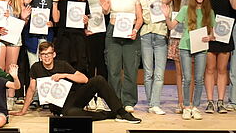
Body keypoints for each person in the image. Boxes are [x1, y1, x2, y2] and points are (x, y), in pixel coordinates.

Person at [13, 41, 141, 122]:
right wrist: (23, 110)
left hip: (74, 97)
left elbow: (84, 79)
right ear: (40, 56)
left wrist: (64, 75)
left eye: (49, 53)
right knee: (71, 115)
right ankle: (108, 115)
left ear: (54, 54)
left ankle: (121, 112)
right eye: (43, 54)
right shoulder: (36, 67)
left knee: (99, 80)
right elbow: (31, 89)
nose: (46, 57)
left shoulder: (62, 65)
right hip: (59, 106)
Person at [100, 0, 143, 113]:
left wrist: (135, 30)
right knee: (113, 69)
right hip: (113, 32)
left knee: (131, 68)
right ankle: (115, 101)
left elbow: (140, 17)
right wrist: (105, 9)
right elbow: (105, 11)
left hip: (131, 33)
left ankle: (128, 101)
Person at [168, 0, 214, 120]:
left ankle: (196, 107)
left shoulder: (209, 12)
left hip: (201, 47)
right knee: (187, 78)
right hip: (185, 46)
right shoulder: (185, 9)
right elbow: (171, 26)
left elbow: (213, 33)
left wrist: (210, 37)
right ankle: (186, 106)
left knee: (199, 79)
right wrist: (166, 16)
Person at [203, 0, 236, 113]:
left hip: (225, 36)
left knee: (223, 70)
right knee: (210, 69)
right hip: (210, 36)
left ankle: (221, 101)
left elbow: (235, 6)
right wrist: (209, 32)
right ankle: (210, 101)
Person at [163, 0, 197, 114]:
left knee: (191, 72)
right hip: (177, 35)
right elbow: (164, 0)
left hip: (193, 36)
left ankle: (189, 103)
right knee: (179, 72)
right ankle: (181, 102)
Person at [138, 0, 171, 115]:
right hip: (145, 35)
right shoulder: (142, 1)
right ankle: (152, 103)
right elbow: (140, 19)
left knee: (159, 73)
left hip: (160, 36)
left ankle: (155, 104)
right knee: (148, 73)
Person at [52, 0, 89, 75]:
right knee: (63, 66)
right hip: (63, 38)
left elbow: (85, 24)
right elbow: (55, 19)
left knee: (79, 67)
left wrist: (86, 22)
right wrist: (55, 3)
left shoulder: (84, 2)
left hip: (78, 39)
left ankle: (78, 90)